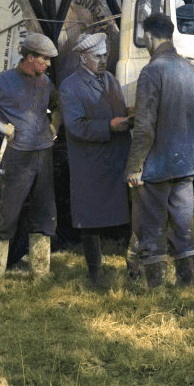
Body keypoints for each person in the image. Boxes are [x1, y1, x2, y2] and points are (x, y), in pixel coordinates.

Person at [0, 32, 60, 288]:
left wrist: (54, 127)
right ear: (30, 57)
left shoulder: (45, 82)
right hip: (16, 156)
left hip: (43, 154)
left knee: (45, 215)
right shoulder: (4, 81)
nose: (48, 64)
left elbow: (58, 105)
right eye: (45, 59)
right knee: (7, 217)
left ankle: (40, 276)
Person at [124, 12, 194, 289]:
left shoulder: (152, 71)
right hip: (185, 166)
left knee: (152, 229)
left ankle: (155, 290)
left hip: (156, 167)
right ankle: (186, 286)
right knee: (183, 228)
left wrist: (135, 166)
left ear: (149, 37)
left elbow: (145, 126)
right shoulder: (191, 70)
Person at [59, 32, 133, 287]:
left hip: (115, 160)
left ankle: (132, 271)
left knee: (127, 218)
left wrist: (127, 116)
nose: (104, 60)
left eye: (105, 55)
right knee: (90, 221)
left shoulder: (110, 80)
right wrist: (109, 126)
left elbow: (116, 111)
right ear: (83, 58)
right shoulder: (70, 86)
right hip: (90, 164)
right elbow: (76, 126)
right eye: (98, 56)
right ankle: (95, 275)